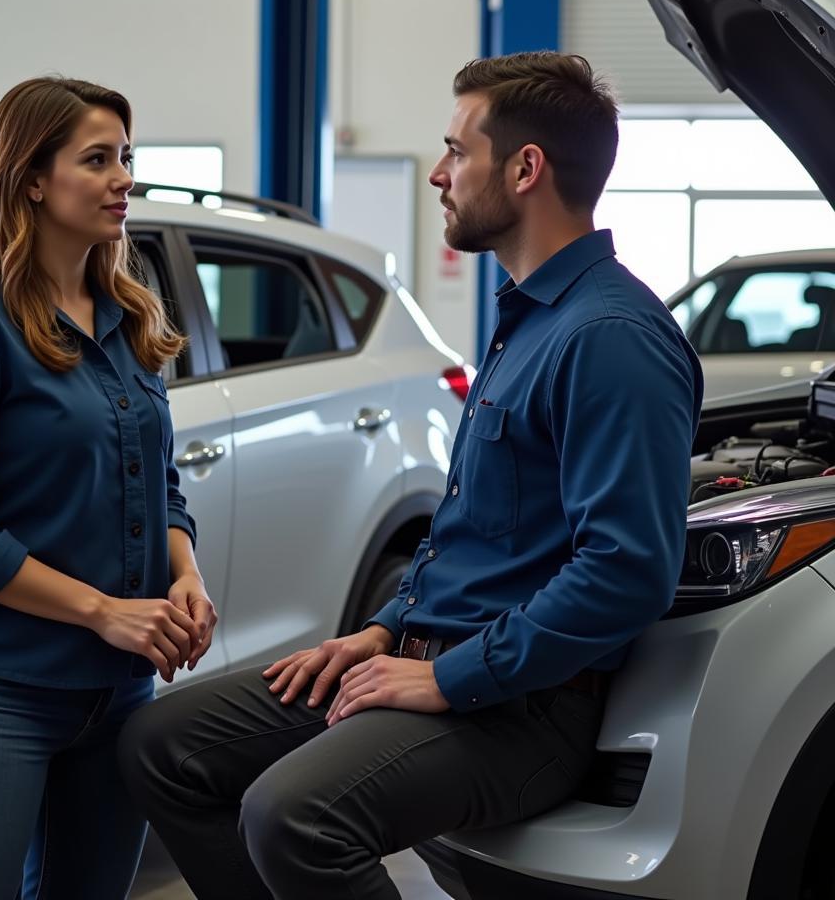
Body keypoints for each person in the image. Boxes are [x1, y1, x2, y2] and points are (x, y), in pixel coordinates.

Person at [117, 51, 704, 900]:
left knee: (293, 813)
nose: (439, 174)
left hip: (523, 705)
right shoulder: (528, 320)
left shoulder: (609, 337)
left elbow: (625, 570)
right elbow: (478, 537)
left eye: (457, 151)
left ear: (526, 167)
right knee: (161, 745)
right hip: (423, 658)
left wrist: (446, 678)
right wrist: (386, 630)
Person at [0, 76, 217, 900]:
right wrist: (103, 611)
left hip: (117, 695)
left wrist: (186, 577)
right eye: (98, 160)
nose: (125, 179)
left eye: (127, 158)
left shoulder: (131, 317)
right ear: (32, 179)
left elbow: (163, 491)